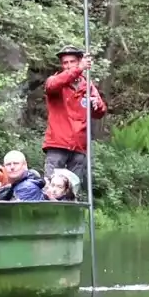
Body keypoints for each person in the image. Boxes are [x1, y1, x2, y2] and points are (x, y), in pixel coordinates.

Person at [43, 45, 106, 195]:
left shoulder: (88, 85)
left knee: (72, 189)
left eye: (72, 62)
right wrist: (79, 69)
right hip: (58, 143)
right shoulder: (55, 81)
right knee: (50, 186)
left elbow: (100, 112)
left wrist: (97, 106)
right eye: (65, 63)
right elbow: (51, 86)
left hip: (79, 146)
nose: (69, 65)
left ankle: (70, 216)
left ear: (79, 61)